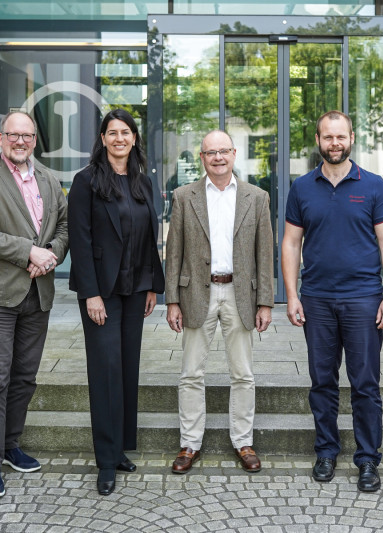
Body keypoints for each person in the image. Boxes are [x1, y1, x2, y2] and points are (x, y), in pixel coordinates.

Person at [281, 110, 383, 493]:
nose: (335, 143)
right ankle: (326, 452)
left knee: (365, 383)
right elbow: (291, 243)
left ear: (352, 138)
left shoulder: (375, 185)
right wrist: (291, 295)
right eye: (328, 137)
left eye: (341, 137)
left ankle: (367, 460)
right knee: (322, 381)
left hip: (364, 299)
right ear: (318, 141)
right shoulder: (302, 187)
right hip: (316, 299)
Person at [0, 110, 68, 499]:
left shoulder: (48, 179)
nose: (20, 141)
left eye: (27, 136)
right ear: (1, 138)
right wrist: (29, 252)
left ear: (35, 140)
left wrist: (52, 252)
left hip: (37, 295)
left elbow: (64, 226)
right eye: (13, 135)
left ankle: (9, 446)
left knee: (24, 378)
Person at [67, 109, 165, 497]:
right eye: (112, 133)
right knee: (106, 372)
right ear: (103, 139)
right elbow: (81, 241)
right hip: (101, 293)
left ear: (135, 138)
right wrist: (91, 293)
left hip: (136, 288)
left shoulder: (143, 182)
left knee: (126, 369)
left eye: (126, 132)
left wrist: (153, 285)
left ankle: (121, 448)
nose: (120, 138)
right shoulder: (86, 181)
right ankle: (106, 461)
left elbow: (148, 238)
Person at [165, 130, 274, 474]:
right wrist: (172, 301)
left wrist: (265, 302)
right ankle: (190, 443)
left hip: (240, 294)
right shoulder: (184, 196)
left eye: (223, 151)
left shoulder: (257, 197)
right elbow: (174, 252)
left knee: (242, 374)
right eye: (210, 152)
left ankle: (243, 441)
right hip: (197, 292)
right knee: (191, 373)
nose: (217, 158)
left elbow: (264, 253)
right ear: (201, 157)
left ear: (234, 153)